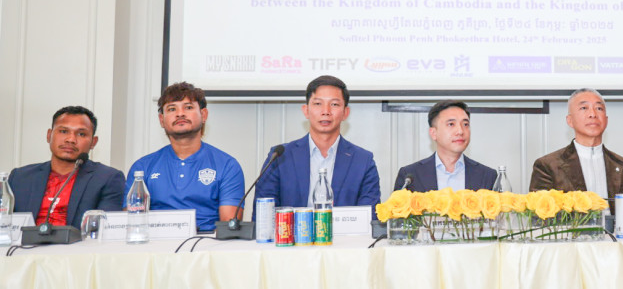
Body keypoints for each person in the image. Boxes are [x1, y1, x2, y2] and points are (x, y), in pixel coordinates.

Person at [254, 75, 380, 218]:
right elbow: (263, 217)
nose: (326, 111)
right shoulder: (280, 157)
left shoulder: (363, 161)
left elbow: (369, 219)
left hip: (344, 233)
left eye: (334, 104)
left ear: (345, 113)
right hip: (292, 232)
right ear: (306, 110)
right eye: (318, 103)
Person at [127, 82, 245, 232]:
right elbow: (132, 223)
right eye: (172, 109)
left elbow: (229, 227)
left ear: (204, 115)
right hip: (156, 242)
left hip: (207, 242)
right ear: (161, 120)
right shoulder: (142, 168)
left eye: (188, 107)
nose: (180, 114)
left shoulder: (227, 165)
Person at [9, 106, 125, 228]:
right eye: (63, 131)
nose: (71, 139)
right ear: (49, 135)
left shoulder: (107, 179)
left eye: (81, 134)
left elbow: (103, 231)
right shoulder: (20, 177)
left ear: (93, 142)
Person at [529, 88, 623, 207]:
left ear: (606, 120)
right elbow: (540, 212)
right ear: (570, 121)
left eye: (599, 108)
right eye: (584, 108)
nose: (593, 114)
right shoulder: (547, 166)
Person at [393, 100, 497, 191]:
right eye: (451, 124)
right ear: (433, 133)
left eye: (465, 124)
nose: (460, 131)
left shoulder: (488, 176)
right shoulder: (410, 176)